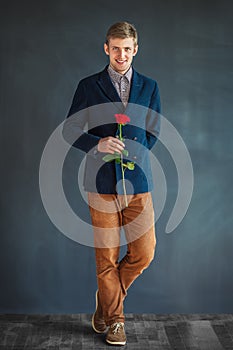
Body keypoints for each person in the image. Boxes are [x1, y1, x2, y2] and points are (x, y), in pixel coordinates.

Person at [63, 21, 161, 346]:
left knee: (144, 253)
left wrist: (138, 150)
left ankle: (105, 300)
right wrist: (97, 144)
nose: (121, 54)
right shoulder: (89, 85)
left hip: (139, 181)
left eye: (127, 49)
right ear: (107, 49)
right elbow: (69, 130)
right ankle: (115, 320)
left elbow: (153, 130)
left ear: (136, 50)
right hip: (101, 183)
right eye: (115, 48)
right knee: (106, 257)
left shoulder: (150, 86)